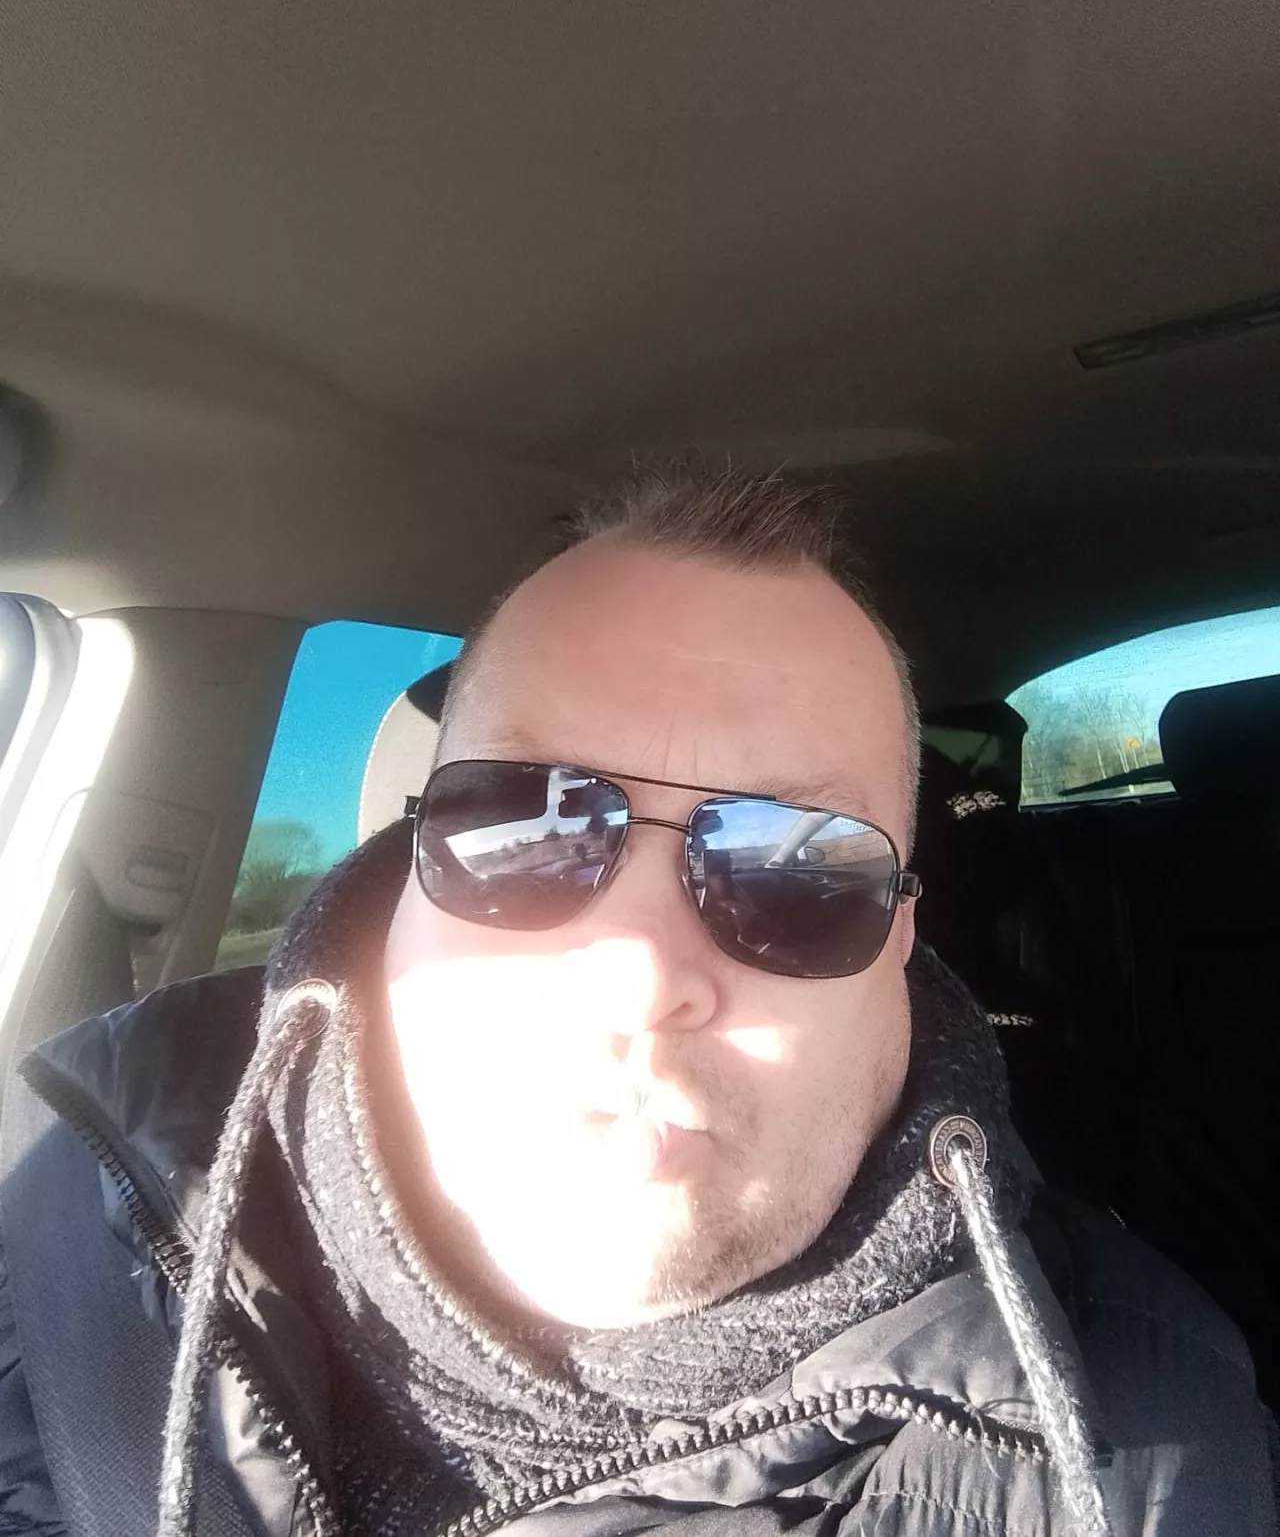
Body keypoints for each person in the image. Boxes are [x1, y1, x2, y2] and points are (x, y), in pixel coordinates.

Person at [0, 464, 1275, 1537]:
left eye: (794, 870)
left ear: (898, 932)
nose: (642, 974)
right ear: (407, 867)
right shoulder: (59, 1256)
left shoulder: (1133, 1461)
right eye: (524, 828)